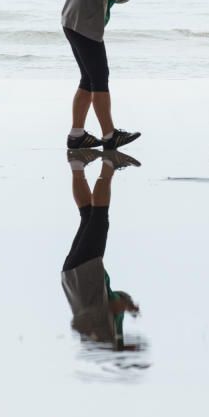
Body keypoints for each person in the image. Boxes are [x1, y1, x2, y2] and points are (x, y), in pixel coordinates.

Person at [62, 0, 152, 150]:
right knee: (100, 79)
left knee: (89, 79)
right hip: (83, 24)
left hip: (77, 22)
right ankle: (110, 135)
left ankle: (77, 135)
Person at [61, 149, 141, 350]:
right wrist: (126, 303)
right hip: (72, 274)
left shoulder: (107, 339)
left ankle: (109, 164)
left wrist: (112, 310)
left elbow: (80, 323)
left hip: (85, 272)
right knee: (88, 215)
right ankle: (77, 163)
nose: (137, 346)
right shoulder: (116, 334)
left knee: (99, 219)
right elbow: (115, 298)